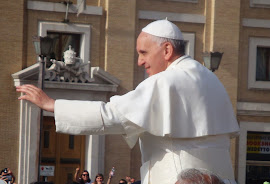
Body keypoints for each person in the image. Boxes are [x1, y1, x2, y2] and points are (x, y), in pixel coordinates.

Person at [16, 19, 240, 184]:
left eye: (143, 52)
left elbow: (111, 115)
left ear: (167, 50)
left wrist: (53, 105)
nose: (140, 61)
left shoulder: (166, 81)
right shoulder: (210, 78)